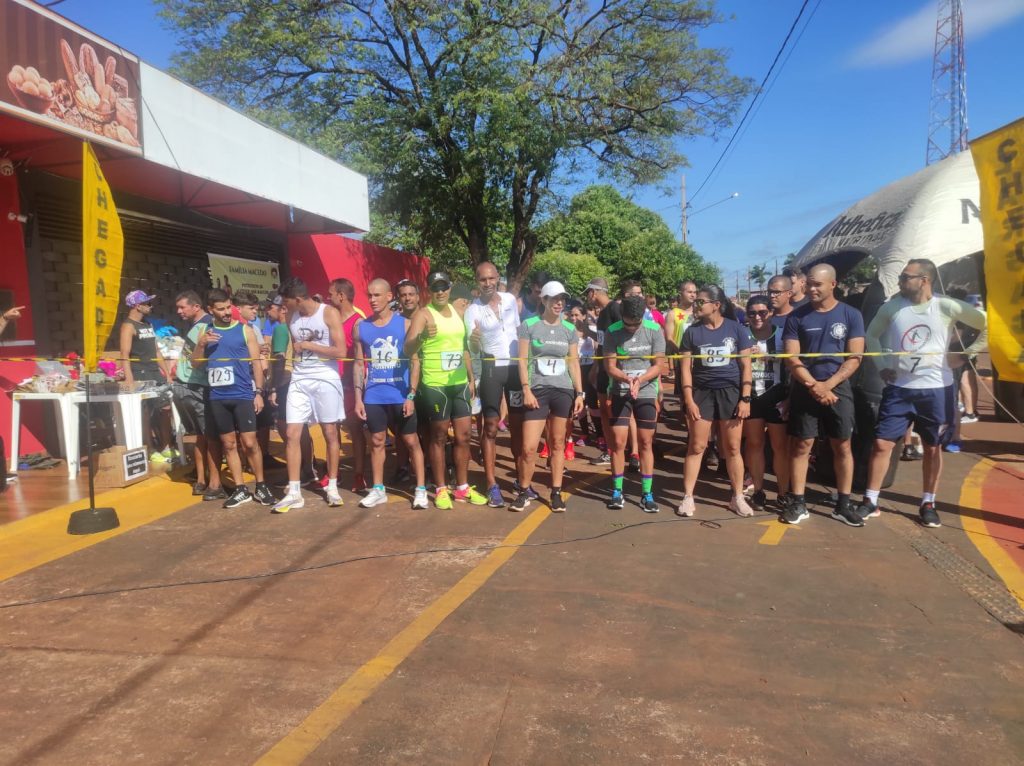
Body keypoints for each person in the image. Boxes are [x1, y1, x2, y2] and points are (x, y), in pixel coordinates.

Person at [856, 259, 987, 528]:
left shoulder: (946, 306)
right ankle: (870, 500)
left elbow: (986, 324)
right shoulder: (893, 307)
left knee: (932, 447)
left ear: (924, 280)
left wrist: (966, 355)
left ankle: (928, 501)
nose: (901, 282)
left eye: (906, 277)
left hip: (936, 389)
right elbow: (872, 336)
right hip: (899, 389)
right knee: (882, 444)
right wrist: (882, 366)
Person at [781, 263, 865, 526]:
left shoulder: (851, 315)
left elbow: (855, 357)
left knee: (842, 445)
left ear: (833, 284)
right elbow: (791, 358)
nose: (811, 289)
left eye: (817, 284)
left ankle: (843, 504)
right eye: (808, 284)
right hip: (806, 387)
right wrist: (813, 385)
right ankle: (797, 502)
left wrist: (828, 385)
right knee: (801, 445)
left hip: (837, 388)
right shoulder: (797, 317)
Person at [405, 271, 486, 508]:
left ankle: (461, 487)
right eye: (435, 288)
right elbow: (407, 349)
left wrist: (471, 374)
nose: (440, 292)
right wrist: (420, 337)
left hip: (459, 383)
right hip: (435, 384)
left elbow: (465, 348)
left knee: (463, 436)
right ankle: (440, 488)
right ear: (428, 291)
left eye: (444, 287)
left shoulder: (459, 312)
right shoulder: (423, 314)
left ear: (450, 288)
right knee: (439, 436)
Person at [676, 285, 755, 518]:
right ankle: (688, 497)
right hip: (702, 393)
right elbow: (686, 370)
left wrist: (745, 398)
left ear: (716, 305)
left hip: (731, 393)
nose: (696, 305)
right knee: (697, 446)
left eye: (700, 301)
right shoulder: (691, 332)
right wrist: (689, 399)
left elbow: (746, 367)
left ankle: (737, 497)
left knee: (732, 447)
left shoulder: (737, 330)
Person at [353, 279, 428, 509]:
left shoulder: (405, 325)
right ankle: (378, 489)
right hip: (374, 395)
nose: (372, 300)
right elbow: (358, 364)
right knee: (376, 442)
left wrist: (411, 395)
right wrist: (358, 398)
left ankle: (421, 489)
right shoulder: (361, 327)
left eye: (377, 295)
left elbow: (415, 362)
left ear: (388, 297)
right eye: (369, 295)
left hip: (400, 394)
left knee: (410, 440)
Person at [194, 289, 274, 508]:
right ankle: (240, 489)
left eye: (229, 307)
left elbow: (257, 363)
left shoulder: (245, 330)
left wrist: (258, 392)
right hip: (218, 396)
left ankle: (261, 484)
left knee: (249, 443)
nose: (227, 312)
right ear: (211, 310)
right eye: (221, 309)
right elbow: (194, 363)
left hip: (242, 394)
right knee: (228, 444)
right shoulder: (205, 331)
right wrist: (201, 344)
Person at [274, 278, 347, 512]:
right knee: (292, 432)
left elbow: (341, 351)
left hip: (326, 377)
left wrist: (309, 346)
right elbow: (295, 348)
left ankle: (333, 486)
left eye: (285, 301)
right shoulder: (289, 317)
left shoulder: (328, 313)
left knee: (329, 432)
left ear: (297, 299)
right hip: (300, 378)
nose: (282, 307)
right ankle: (294, 491)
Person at [509, 281, 583, 512]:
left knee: (558, 444)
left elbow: (573, 362)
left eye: (562, 299)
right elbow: (522, 360)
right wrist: (526, 388)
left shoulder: (569, 329)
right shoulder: (529, 325)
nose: (559, 303)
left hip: (563, 390)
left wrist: (580, 392)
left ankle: (556, 492)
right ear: (544, 300)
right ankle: (523, 491)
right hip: (537, 391)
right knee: (529, 447)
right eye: (554, 299)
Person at [465, 262, 523, 507]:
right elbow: (473, 347)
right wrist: (475, 341)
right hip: (491, 369)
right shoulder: (472, 310)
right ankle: (492, 484)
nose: (487, 284)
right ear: (477, 282)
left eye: (491, 279)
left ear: (498, 278)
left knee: (519, 424)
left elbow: (519, 334)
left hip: (514, 369)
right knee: (489, 426)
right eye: (482, 280)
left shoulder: (510, 300)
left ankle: (522, 482)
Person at [603, 295, 666, 512]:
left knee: (646, 442)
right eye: (628, 324)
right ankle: (617, 491)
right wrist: (626, 379)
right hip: (621, 389)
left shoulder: (654, 329)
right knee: (618, 443)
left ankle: (647, 493)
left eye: (636, 324)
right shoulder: (612, 331)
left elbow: (659, 365)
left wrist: (641, 379)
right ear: (622, 317)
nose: (632, 328)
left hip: (646, 389)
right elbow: (610, 367)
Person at [171, 290, 223, 499]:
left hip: (194, 387)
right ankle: (207, 482)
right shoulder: (200, 327)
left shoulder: (205, 326)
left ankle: (208, 482)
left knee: (206, 438)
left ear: (196, 306)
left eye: (182, 307)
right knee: (205, 437)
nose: (179, 311)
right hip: (191, 387)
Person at [742, 295, 790, 509]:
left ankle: (782, 493)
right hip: (752, 395)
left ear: (770, 313)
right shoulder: (743, 335)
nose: (757, 317)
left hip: (777, 394)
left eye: (762, 312)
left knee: (779, 447)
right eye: (752, 313)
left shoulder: (781, 335)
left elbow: (794, 364)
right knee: (754, 444)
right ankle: (759, 491)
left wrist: (789, 397)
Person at [118, 289, 175, 463]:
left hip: (154, 372)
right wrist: (129, 380)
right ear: (137, 305)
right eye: (147, 303)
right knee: (145, 412)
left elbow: (156, 350)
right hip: (139, 373)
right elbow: (124, 354)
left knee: (165, 409)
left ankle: (166, 446)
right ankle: (149, 448)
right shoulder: (128, 326)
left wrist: (166, 373)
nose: (150, 306)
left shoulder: (148, 324)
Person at [233, 291, 281, 471]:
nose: (255, 312)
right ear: (238, 308)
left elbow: (262, 355)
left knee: (263, 421)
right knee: (244, 426)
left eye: (256, 308)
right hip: (241, 383)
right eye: (251, 308)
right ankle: (246, 461)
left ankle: (264, 455)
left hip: (257, 381)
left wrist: (266, 380)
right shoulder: (231, 329)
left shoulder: (253, 328)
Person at [328, 278, 368, 492]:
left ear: (341, 296)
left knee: (354, 430)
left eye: (331, 293)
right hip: (332, 382)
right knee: (331, 430)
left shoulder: (359, 322)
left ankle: (359, 474)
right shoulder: (329, 319)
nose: (328, 297)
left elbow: (363, 358)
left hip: (350, 385)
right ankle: (333, 475)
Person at [584, 278, 620, 467]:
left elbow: (622, 339)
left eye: (588, 293)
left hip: (613, 369)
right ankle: (610, 449)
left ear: (594, 292)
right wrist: (596, 366)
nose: (587, 298)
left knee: (614, 410)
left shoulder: (614, 309)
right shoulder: (604, 313)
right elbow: (603, 342)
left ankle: (620, 450)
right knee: (606, 410)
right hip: (603, 367)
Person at [665, 281, 698, 399]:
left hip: (700, 361)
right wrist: (683, 354)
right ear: (681, 294)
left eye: (695, 292)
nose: (693, 295)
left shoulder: (700, 313)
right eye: (689, 292)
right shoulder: (673, 314)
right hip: (682, 360)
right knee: (684, 395)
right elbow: (669, 338)